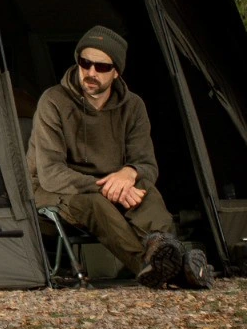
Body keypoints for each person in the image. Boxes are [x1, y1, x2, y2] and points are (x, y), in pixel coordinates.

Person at [27, 25, 212, 289]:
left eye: (101, 67)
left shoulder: (133, 106)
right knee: (96, 204)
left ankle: (161, 245)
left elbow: (147, 163)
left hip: (113, 182)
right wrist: (108, 188)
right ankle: (166, 268)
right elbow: (50, 172)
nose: (91, 73)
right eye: (85, 63)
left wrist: (130, 173)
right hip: (57, 189)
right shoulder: (53, 101)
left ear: (116, 72)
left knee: (145, 188)